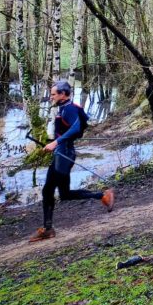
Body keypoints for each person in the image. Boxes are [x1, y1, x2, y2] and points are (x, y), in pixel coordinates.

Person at [29, 80, 115, 242]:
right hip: (62, 154)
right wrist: (52, 141)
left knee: (48, 191)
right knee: (65, 194)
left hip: (64, 155)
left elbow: (75, 129)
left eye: (53, 94)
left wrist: (56, 142)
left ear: (62, 94)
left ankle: (48, 229)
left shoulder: (68, 109)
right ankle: (103, 195)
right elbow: (66, 130)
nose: (51, 97)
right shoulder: (64, 108)